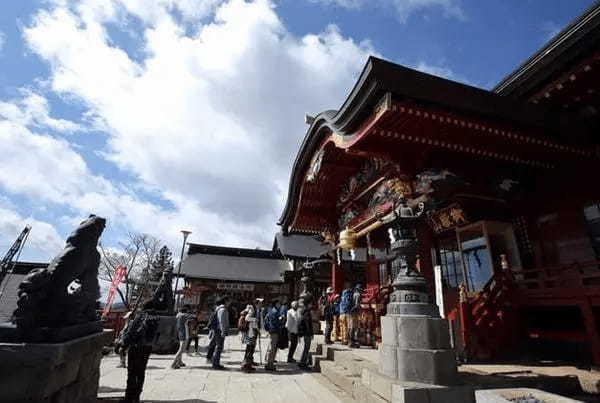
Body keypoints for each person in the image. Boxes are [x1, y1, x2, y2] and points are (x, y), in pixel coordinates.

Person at [120, 302, 159, 403]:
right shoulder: (156, 318)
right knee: (141, 373)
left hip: (136, 347)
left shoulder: (141, 316)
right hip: (147, 348)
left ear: (144, 307)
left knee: (132, 373)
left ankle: (128, 398)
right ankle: (137, 396)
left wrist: (124, 346)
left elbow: (131, 332)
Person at [206, 296, 230, 370]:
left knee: (214, 344)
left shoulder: (219, 308)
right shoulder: (222, 309)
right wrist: (223, 331)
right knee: (219, 347)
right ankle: (216, 364)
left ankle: (212, 360)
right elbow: (221, 321)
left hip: (217, 330)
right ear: (226, 301)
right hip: (219, 330)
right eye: (229, 301)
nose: (230, 303)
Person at [264, 299, 283, 371]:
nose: (280, 305)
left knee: (273, 348)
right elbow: (275, 322)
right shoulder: (274, 311)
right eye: (278, 304)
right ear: (275, 304)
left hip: (273, 331)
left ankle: (270, 363)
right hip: (274, 331)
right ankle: (269, 364)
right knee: (273, 348)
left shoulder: (273, 311)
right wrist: (281, 319)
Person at [241, 304, 259, 372]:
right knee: (249, 350)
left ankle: (247, 364)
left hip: (249, 334)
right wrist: (255, 319)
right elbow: (247, 318)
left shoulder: (247, 311)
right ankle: (246, 366)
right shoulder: (251, 311)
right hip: (250, 334)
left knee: (249, 350)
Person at [297, 300, 313, 370]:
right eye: (311, 304)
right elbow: (308, 324)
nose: (311, 305)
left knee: (306, 348)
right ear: (308, 304)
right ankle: (303, 363)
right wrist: (310, 333)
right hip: (307, 333)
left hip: (305, 333)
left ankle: (302, 361)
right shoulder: (307, 313)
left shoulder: (304, 312)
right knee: (307, 348)